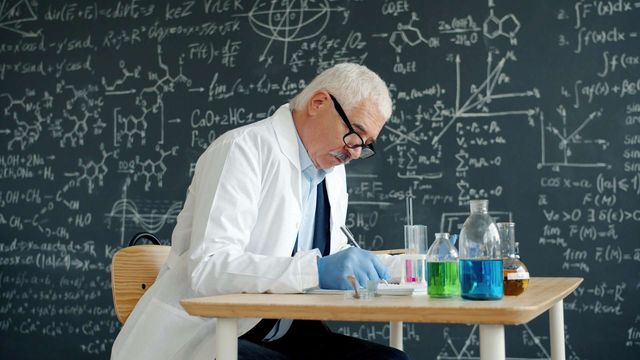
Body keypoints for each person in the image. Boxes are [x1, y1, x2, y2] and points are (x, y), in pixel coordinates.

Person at [111, 63, 408, 360]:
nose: (355, 152)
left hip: (284, 332)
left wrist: (404, 268)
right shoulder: (242, 150)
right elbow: (209, 267)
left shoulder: (331, 172)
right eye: (355, 134)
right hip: (213, 335)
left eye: (366, 144)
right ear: (319, 103)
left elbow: (333, 250)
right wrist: (315, 270)